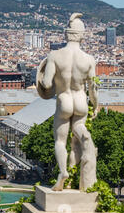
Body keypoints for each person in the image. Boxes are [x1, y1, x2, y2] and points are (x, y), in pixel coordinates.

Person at [38, 13, 98, 191]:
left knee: (60, 141)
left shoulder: (55, 55)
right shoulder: (89, 59)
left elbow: (47, 83)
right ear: (82, 35)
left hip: (64, 101)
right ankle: (82, 140)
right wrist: (96, 105)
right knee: (78, 138)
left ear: (66, 34)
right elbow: (93, 89)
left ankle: (64, 171)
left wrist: (42, 80)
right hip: (81, 102)